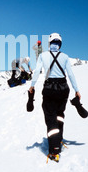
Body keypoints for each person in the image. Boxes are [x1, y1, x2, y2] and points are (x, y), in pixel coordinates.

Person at [28, 33, 81, 162]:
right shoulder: (65, 57)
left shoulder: (43, 56)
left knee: (50, 118)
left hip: (49, 89)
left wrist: (32, 86)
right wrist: (77, 90)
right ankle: (59, 139)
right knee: (59, 115)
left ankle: (54, 150)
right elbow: (71, 74)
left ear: (49, 43)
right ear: (60, 43)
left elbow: (37, 71)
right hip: (63, 89)